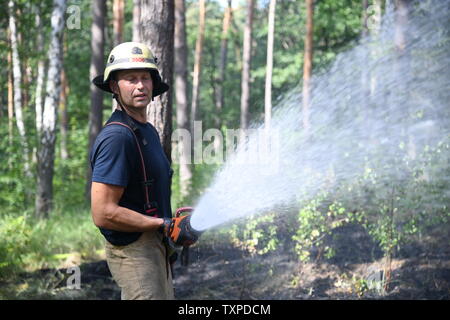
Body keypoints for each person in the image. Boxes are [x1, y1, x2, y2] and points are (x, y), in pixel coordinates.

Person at [90, 42, 175, 300]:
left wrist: (175, 226)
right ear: (114, 87)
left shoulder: (145, 130)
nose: (140, 85)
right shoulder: (117, 137)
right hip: (134, 251)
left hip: (154, 245)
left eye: (145, 78)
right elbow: (104, 213)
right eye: (130, 79)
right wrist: (162, 224)